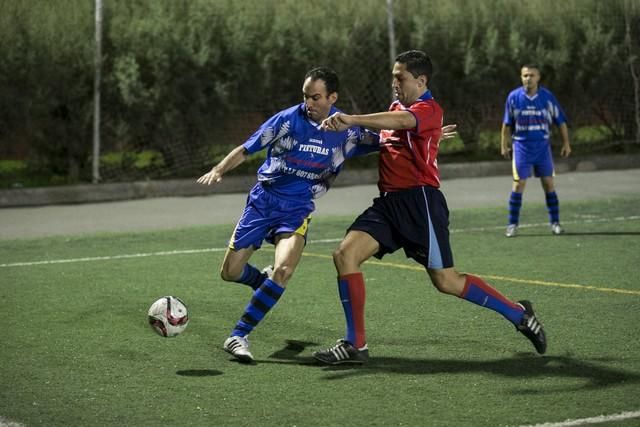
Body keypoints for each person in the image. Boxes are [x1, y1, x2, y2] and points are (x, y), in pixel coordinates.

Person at [312, 50, 546, 365]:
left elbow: (405, 121)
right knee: (344, 255)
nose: (394, 83)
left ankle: (518, 315)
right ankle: (356, 344)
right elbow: (395, 132)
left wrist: (352, 118)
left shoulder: (428, 108)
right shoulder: (398, 107)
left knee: (446, 281)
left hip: (420, 203)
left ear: (420, 80)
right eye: (393, 76)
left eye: (400, 78)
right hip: (389, 204)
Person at [196, 67, 380, 363]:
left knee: (284, 271)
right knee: (229, 273)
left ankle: (238, 335)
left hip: (297, 209)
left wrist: (429, 135)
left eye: (316, 97)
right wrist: (219, 170)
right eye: (306, 96)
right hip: (263, 202)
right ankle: (261, 283)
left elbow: (389, 140)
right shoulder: (286, 120)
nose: (309, 102)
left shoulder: (347, 130)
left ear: (332, 97)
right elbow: (247, 149)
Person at [500, 64, 572, 238]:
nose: (528, 78)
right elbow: (506, 124)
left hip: (542, 147)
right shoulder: (514, 97)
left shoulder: (547, 97)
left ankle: (555, 223)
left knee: (548, 183)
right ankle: (512, 224)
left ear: (538, 77)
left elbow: (560, 121)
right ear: (521, 77)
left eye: (532, 75)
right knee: (518, 185)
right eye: (525, 75)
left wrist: (566, 143)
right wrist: (504, 145)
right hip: (521, 147)